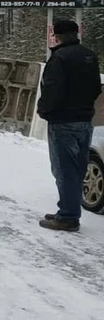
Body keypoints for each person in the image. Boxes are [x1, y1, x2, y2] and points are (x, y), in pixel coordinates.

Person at [37, 18, 101, 232]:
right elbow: (96, 88)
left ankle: (68, 216)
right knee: (78, 168)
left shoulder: (59, 58)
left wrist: (44, 110)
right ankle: (67, 209)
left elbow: (52, 90)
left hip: (63, 122)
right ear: (77, 33)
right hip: (84, 120)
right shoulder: (90, 56)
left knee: (63, 170)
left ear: (57, 35)